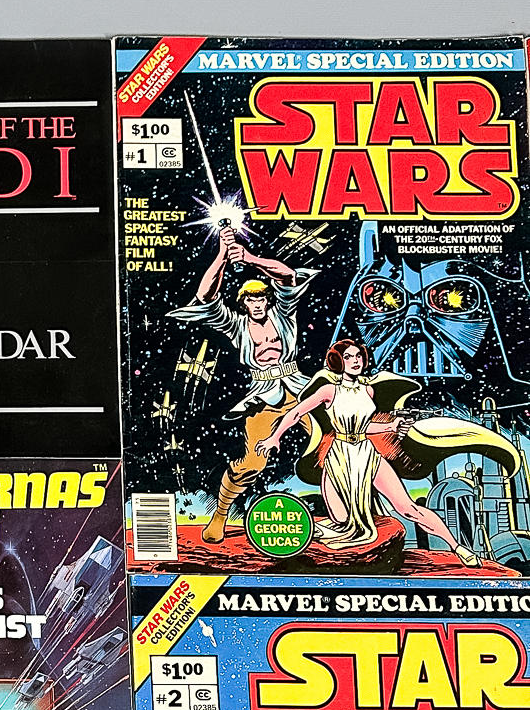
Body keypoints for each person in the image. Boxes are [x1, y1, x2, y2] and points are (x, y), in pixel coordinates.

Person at [255, 339, 514, 567]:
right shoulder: (328, 390)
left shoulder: (368, 390)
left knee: (408, 508)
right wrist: (274, 437)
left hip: (367, 454)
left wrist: (390, 426)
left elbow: (364, 425)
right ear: (338, 362)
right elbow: (296, 412)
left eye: (358, 356)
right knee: (341, 521)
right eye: (349, 357)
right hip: (339, 459)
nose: (355, 361)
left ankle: (458, 548)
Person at [169, 226, 317, 543]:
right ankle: (220, 516)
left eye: (261, 297)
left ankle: (358, 512)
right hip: (264, 396)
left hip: (301, 388)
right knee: (251, 463)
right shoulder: (236, 325)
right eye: (251, 299)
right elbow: (205, 296)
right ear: (243, 303)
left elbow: (288, 275)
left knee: (340, 438)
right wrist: (223, 255)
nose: (257, 303)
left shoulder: (283, 313)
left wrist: (250, 258)